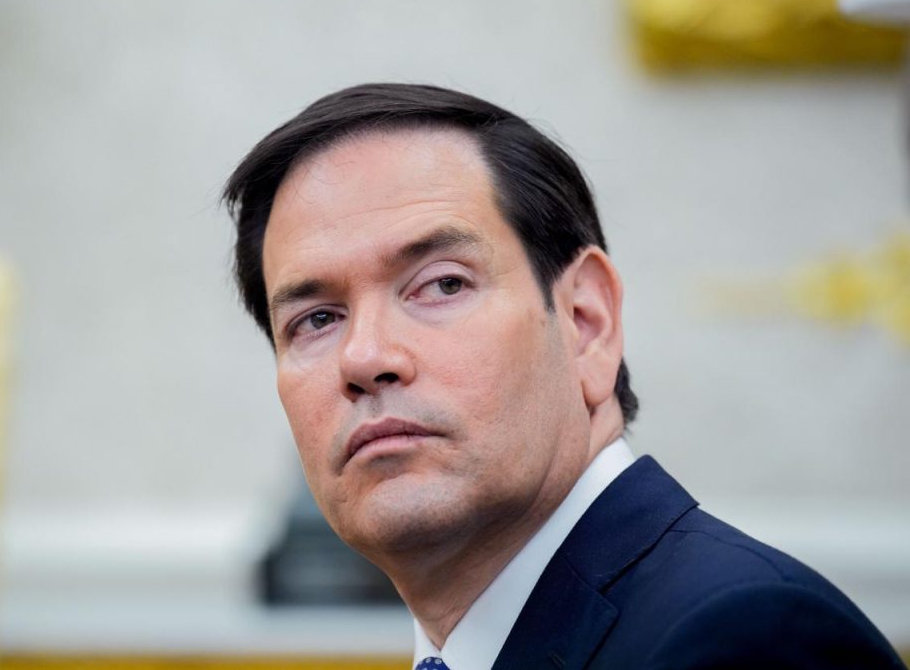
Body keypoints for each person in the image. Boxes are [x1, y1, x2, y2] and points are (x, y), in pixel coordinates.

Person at [223, 83, 905, 669]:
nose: (365, 357)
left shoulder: (744, 640)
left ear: (586, 322)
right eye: (316, 319)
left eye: (443, 284)